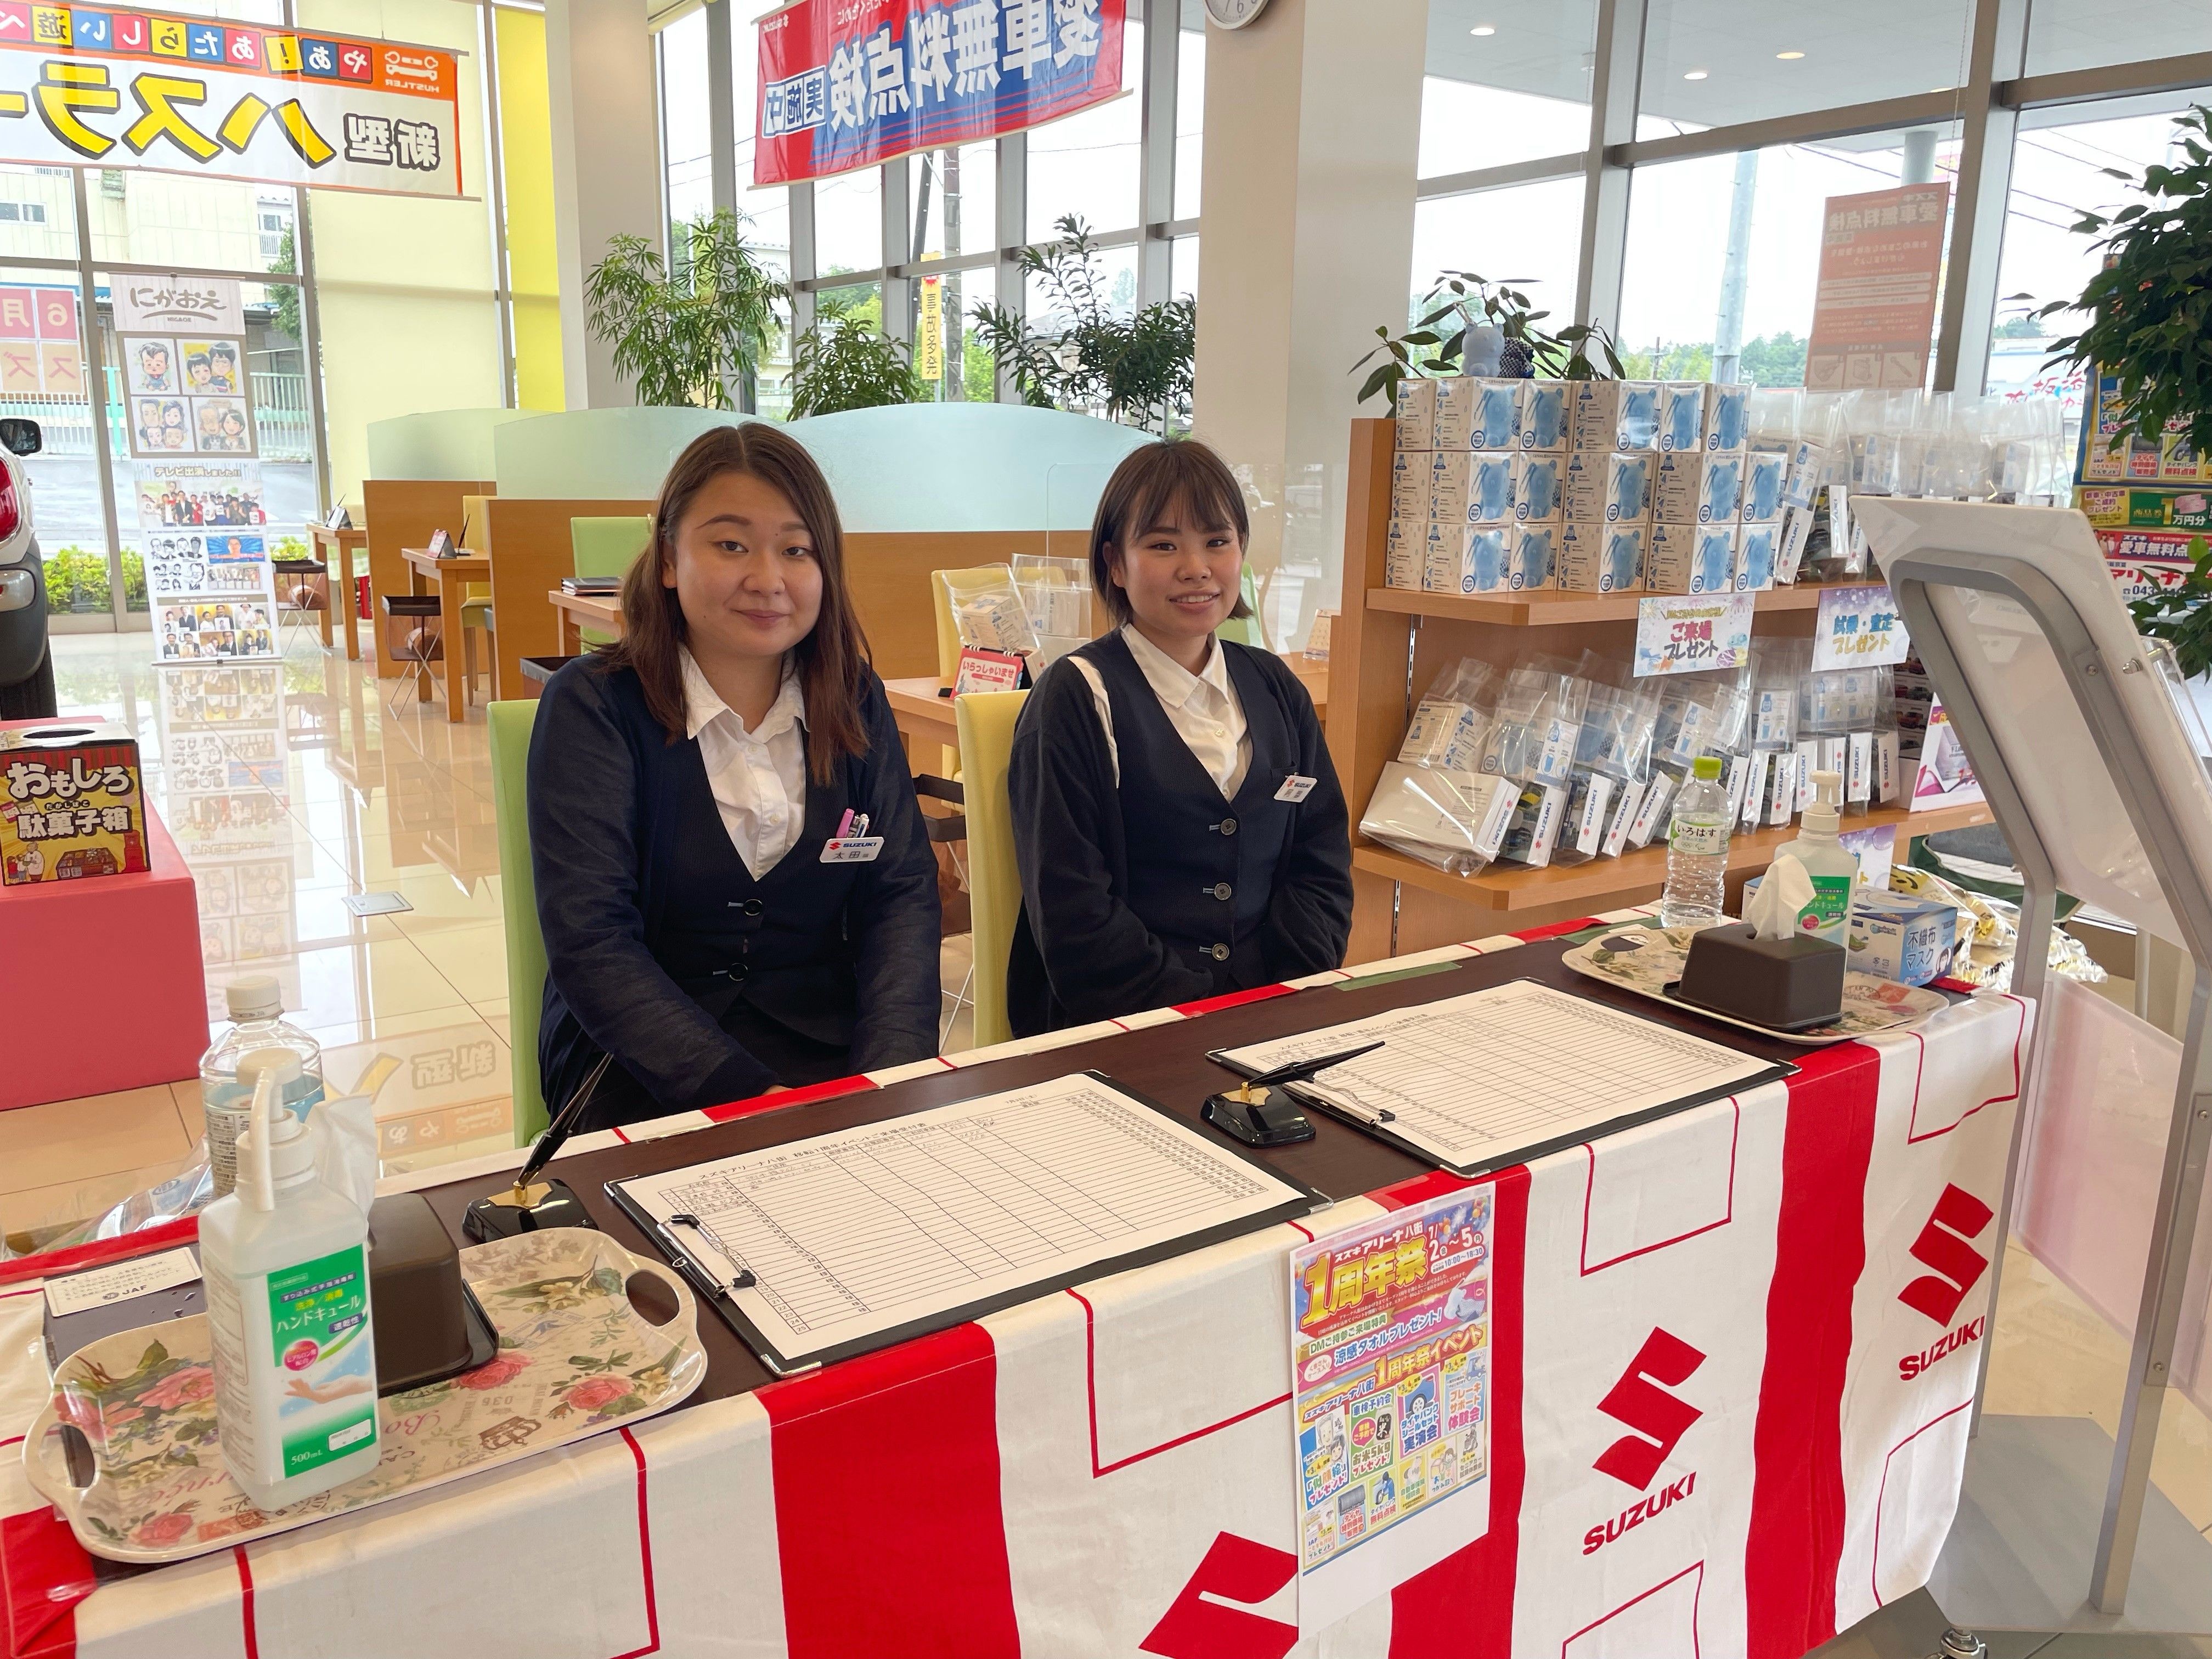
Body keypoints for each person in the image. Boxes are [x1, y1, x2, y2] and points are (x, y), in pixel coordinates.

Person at [529, 424, 940, 1129]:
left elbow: (899, 897)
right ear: (668, 559)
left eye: (797, 550)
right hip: (639, 1063)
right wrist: (755, 1105)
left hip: (829, 1049)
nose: (768, 579)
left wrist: (889, 1080)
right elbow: (592, 941)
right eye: (730, 545)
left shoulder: (853, 697)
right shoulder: (594, 706)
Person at [1006, 438, 1352, 1034]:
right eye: (1163, 545)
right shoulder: (1077, 698)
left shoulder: (1275, 687)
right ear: (1115, 564)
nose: (1196, 567)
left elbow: (1322, 863)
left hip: (1274, 1013)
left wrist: (1284, 993)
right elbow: (1071, 909)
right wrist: (1193, 1016)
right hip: (1121, 1027)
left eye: (1217, 542)